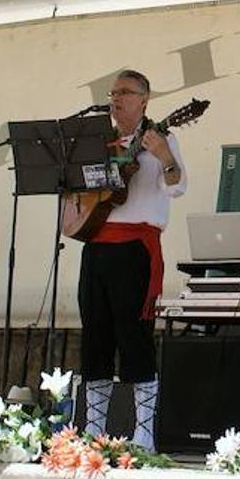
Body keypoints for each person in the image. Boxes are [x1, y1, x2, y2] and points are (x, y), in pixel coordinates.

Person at [77, 70, 185, 450]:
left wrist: (165, 155)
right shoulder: (96, 141)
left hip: (135, 248)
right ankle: (92, 428)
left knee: (134, 337)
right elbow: (78, 187)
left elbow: (178, 186)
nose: (116, 98)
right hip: (96, 246)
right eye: (113, 92)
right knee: (95, 337)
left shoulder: (162, 137)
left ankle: (144, 433)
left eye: (125, 92)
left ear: (145, 99)